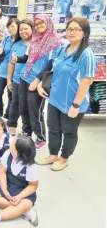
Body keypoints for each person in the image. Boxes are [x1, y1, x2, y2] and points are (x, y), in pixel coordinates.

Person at [36, 17, 96, 171]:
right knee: (53, 128)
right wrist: (41, 84)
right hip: (55, 98)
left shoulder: (86, 54)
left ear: (84, 33)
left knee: (69, 131)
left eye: (76, 29)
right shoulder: (61, 49)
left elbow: (86, 81)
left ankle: (64, 158)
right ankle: (53, 154)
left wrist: (76, 105)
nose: (72, 32)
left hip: (72, 102)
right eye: (69, 29)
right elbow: (51, 69)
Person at [17, 14, 61, 149]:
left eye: (42, 23)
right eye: (36, 24)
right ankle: (27, 131)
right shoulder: (34, 40)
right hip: (24, 78)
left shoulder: (56, 43)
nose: (39, 26)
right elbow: (26, 57)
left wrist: (37, 81)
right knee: (23, 107)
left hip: (38, 82)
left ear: (48, 23)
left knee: (35, 110)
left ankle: (41, 137)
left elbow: (51, 66)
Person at [0, 135, 38, 227]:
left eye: (13, 143)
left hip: (23, 191)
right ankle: (25, 211)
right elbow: (2, 172)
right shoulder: (8, 153)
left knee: (25, 203)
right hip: (7, 184)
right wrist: (4, 189)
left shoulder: (31, 166)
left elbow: (33, 186)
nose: (11, 142)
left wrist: (20, 197)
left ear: (18, 153)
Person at [6, 19, 33, 135]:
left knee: (28, 106)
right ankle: (12, 124)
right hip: (17, 79)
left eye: (26, 28)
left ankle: (27, 130)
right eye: (21, 29)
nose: (23, 31)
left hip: (32, 81)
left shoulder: (37, 45)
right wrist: (9, 79)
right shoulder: (16, 45)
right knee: (15, 102)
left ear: (32, 29)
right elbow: (11, 63)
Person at [0, 18, 21, 118]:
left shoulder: (22, 40)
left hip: (15, 72)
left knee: (11, 96)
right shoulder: (7, 39)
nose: (10, 29)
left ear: (18, 26)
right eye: (9, 27)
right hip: (2, 70)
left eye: (13, 26)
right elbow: (0, 53)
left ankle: (8, 114)